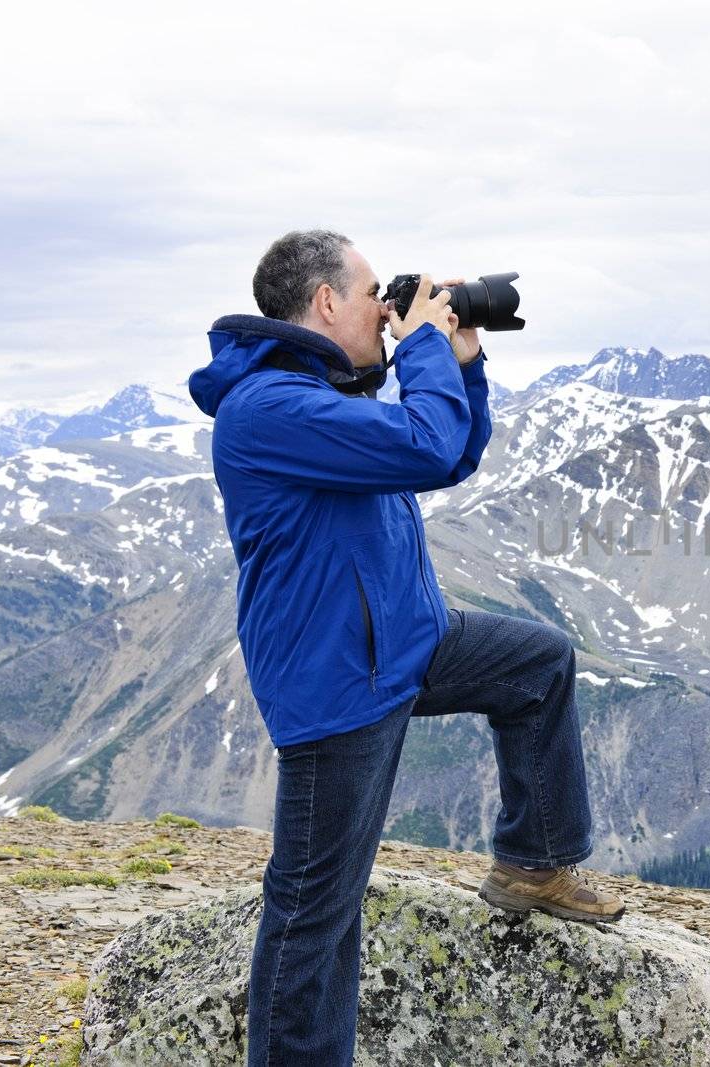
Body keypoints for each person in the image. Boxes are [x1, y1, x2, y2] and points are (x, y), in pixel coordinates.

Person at [187, 229, 624, 1066]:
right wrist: (422, 341)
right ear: (323, 304)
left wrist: (458, 358)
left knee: (539, 665)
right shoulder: (269, 409)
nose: (384, 315)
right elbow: (422, 444)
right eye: (368, 298)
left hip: (407, 642)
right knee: (317, 907)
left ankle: (532, 864)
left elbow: (449, 453)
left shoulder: (325, 396)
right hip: (340, 680)